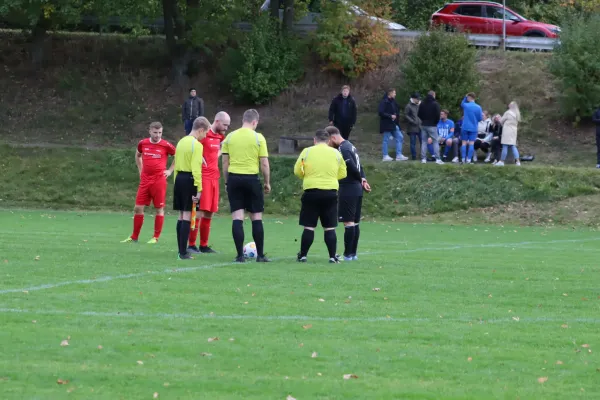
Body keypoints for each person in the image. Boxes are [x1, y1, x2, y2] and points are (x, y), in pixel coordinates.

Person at [222, 109, 271, 263]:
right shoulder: (258, 138)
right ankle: (261, 255)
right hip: (251, 179)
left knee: (237, 217)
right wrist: (267, 182)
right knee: (256, 217)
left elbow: (224, 162)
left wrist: (226, 181)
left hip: (234, 179)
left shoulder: (229, 137)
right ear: (255, 122)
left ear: (243, 120)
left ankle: (239, 256)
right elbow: (264, 163)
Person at [294, 129, 347, 263]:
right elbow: (343, 173)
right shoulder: (336, 153)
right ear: (329, 141)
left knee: (309, 226)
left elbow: (297, 171)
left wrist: (306, 176)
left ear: (314, 140)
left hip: (311, 192)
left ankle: (303, 255)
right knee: (329, 227)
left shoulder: (307, 152)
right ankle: (332, 256)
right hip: (330, 192)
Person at [121, 122, 176, 244]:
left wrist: (170, 170)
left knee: (159, 208)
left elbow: (177, 156)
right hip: (145, 180)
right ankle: (134, 237)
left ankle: (155, 237)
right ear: (150, 131)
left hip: (159, 180)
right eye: (155, 132)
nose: (157, 135)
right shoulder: (143, 143)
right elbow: (138, 155)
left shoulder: (166, 145)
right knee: (138, 208)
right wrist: (141, 171)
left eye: (160, 132)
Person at [187, 112, 231, 254]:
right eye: (224, 125)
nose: (226, 128)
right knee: (199, 212)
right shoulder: (203, 135)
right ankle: (191, 244)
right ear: (217, 121)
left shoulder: (220, 137)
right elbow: (191, 146)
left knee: (210, 212)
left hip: (214, 178)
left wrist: (219, 151)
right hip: (203, 178)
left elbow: (216, 152)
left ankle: (204, 245)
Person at [327, 126, 371, 261]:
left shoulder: (342, 149)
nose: (328, 145)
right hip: (357, 187)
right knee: (355, 222)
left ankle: (347, 255)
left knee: (348, 221)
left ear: (333, 137)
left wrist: (360, 178)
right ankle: (353, 254)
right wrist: (363, 179)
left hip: (348, 187)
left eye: (328, 141)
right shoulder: (350, 146)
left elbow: (352, 167)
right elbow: (360, 166)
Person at [173, 117, 210, 259]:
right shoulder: (197, 145)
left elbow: (176, 164)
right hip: (189, 179)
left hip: (179, 179)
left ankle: (180, 250)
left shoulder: (181, 142)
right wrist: (199, 189)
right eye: (205, 133)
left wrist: (176, 182)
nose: (205, 136)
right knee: (187, 215)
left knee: (181, 215)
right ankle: (183, 253)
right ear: (200, 130)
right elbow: (196, 169)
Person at [379, 89, 409, 162]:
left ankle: (399, 155)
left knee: (400, 137)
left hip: (393, 124)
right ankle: (385, 155)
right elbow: (381, 112)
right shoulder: (384, 102)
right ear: (390, 93)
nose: (395, 94)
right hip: (387, 124)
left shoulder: (393, 102)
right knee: (386, 139)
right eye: (394, 93)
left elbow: (396, 112)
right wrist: (390, 116)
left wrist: (396, 121)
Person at [418, 90, 443, 164]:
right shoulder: (435, 104)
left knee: (424, 142)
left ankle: (423, 159)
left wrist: (424, 120)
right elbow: (438, 115)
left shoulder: (422, 103)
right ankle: (438, 159)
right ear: (433, 95)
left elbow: (419, 114)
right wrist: (435, 122)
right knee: (435, 141)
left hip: (424, 124)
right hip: (432, 125)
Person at [496, 101, 522, 166]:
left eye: (509, 104)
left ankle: (501, 161)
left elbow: (501, 121)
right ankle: (518, 162)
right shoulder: (517, 114)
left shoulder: (507, 112)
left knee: (505, 146)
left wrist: (499, 118)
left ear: (510, 106)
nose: (508, 105)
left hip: (507, 131)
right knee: (513, 146)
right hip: (513, 131)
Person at [460, 93, 483, 164]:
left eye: (467, 97)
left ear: (469, 97)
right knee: (471, 144)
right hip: (473, 127)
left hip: (465, 127)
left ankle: (463, 159)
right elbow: (480, 118)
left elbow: (462, 103)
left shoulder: (466, 105)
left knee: (463, 143)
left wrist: (465, 96)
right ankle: (469, 159)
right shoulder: (478, 107)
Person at [404, 92, 422, 160]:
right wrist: (412, 121)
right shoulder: (408, 106)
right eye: (417, 99)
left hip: (420, 126)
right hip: (412, 127)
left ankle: (423, 156)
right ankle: (414, 156)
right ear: (413, 99)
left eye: (419, 99)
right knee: (413, 142)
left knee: (422, 141)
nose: (418, 100)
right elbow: (406, 115)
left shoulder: (421, 105)